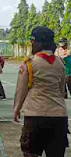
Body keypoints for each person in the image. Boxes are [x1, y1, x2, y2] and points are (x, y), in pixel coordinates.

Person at [14, 26, 69, 157]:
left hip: (35, 115)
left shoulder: (30, 63)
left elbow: (21, 91)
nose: (31, 44)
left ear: (38, 42)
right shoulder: (60, 63)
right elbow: (61, 90)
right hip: (59, 115)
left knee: (31, 153)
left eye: (32, 41)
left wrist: (16, 109)